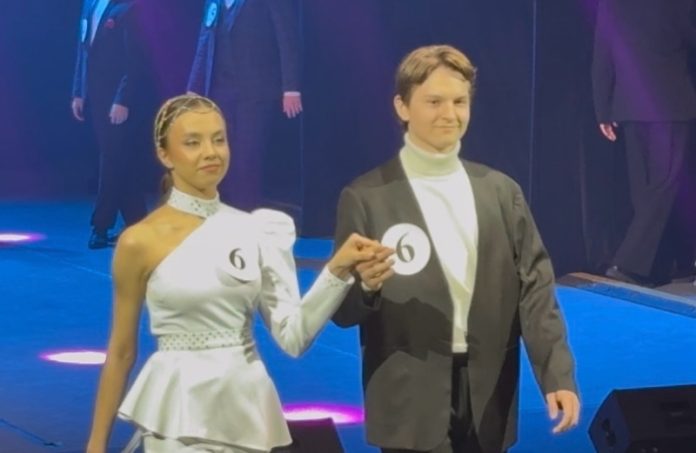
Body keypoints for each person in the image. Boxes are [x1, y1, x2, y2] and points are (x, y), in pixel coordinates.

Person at [84, 94, 392, 453]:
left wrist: (336, 271)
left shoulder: (257, 230)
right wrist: (96, 444)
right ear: (164, 154)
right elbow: (121, 352)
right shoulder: (139, 241)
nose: (210, 152)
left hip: (246, 408)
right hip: (177, 414)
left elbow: (293, 337)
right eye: (193, 142)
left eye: (219, 139)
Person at [332, 45, 580, 453]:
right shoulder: (366, 198)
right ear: (402, 106)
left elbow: (536, 292)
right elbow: (341, 311)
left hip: (489, 396)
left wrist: (557, 375)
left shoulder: (502, 193)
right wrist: (367, 288)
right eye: (434, 102)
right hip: (408, 400)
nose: (449, 113)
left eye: (459, 101)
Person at [592, 0, 696, 286]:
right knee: (663, 185)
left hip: (629, 105)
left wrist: (603, 108)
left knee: (645, 190)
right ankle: (627, 263)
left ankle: (660, 265)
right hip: (670, 102)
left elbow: (602, 56)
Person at [187, 0, 302, 211]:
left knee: (247, 158)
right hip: (219, 92)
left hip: (255, 92)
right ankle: (222, 210)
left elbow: (285, 37)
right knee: (219, 154)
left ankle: (246, 212)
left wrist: (290, 87)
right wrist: (193, 88)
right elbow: (204, 42)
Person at [72, 0, 147, 249]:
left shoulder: (128, 8)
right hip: (96, 96)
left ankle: (101, 225)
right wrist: (79, 91)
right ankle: (138, 223)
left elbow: (134, 60)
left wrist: (122, 99)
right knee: (120, 160)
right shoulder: (89, 5)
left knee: (111, 159)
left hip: (118, 98)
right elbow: (83, 50)